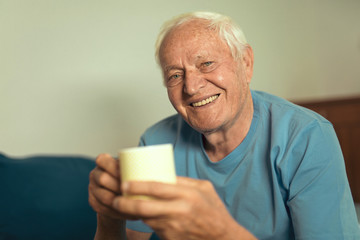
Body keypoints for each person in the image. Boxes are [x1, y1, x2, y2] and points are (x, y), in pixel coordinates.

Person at [88, 12, 360, 240]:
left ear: (246, 63)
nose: (192, 87)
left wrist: (222, 232)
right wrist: (109, 216)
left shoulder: (306, 137)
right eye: (175, 75)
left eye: (206, 63)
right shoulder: (156, 142)